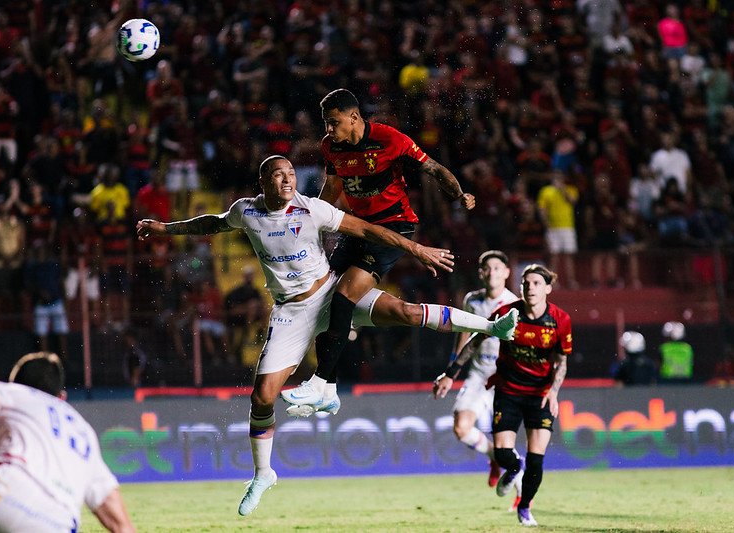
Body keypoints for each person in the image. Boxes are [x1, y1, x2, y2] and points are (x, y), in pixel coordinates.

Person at [136, 155, 517, 517]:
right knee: (262, 396)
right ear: (263, 183)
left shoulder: (312, 209)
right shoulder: (246, 211)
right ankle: (263, 473)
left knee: (404, 311)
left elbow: (367, 229)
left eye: (290, 173)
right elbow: (212, 223)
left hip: (333, 294)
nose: (288, 179)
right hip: (290, 312)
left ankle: (491, 326)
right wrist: (166, 229)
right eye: (278, 174)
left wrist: (416, 249)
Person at [280, 88, 476, 411]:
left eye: (334, 122)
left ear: (354, 117)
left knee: (343, 296)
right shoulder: (331, 147)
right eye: (326, 124)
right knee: (323, 298)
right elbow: (331, 188)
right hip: (358, 227)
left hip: (394, 228)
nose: (328, 130)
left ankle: (321, 383)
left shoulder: (389, 140)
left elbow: (434, 169)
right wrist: (311, 225)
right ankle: (326, 393)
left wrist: (459, 195)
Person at [433, 263, 572, 527]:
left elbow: (561, 361)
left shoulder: (560, 320)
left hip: (539, 395)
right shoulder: (507, 313)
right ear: (519, 287)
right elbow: (474, 340)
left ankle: (525, 507)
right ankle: (511, 466)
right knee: (504, 452)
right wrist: (451, 372)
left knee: (536, 459)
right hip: (506, 390)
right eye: (527, 283)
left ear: (548, 289)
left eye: (537, 283)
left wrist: (554, 392)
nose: (530, 288)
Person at [0, 351, 135, 532]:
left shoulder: (11, 391)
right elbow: (119, 520)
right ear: (61, 397)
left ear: (14, 382)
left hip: (6, 493)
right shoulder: (84, 430)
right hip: (60, 523)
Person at [439, 250, 519, 495]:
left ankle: (522, 497)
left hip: (504, 378)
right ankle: (494, 458)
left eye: (497, 267)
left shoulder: (514, 304)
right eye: (487, 268)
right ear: (481, 273)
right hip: (477, 374)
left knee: (507, 442)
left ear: (506, 273)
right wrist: (451, 371)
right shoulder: (472, 301)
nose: (492, 272)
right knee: (461, 428)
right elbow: (463, 337)